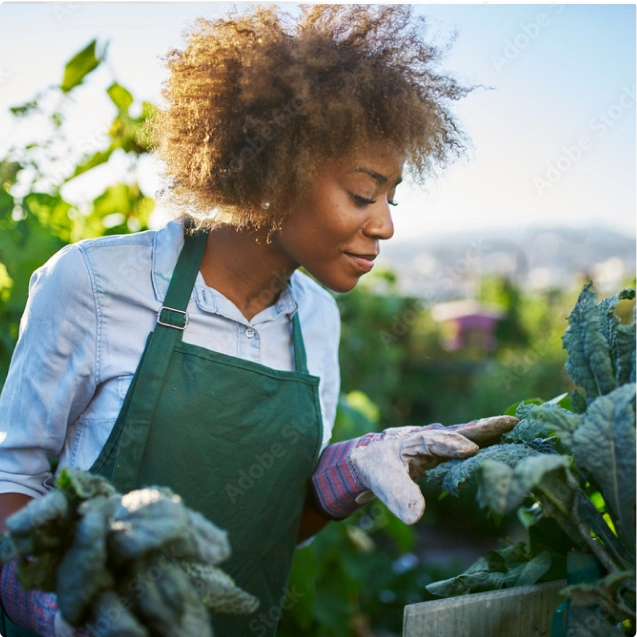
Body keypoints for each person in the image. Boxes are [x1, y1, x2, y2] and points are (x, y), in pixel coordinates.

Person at [0, 5, 516, 636]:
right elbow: (11, 482)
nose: (385, 225)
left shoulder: (318, 322)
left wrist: (346, 476)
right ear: (276, 173)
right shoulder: (97, 284)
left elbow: (267, 527)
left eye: (392, 197)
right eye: (363, 193)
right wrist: (63, 610)